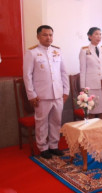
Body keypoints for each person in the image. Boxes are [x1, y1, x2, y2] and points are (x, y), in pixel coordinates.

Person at [23, 25, 69, 159]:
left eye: (50, 35)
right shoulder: (31, 53)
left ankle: (54, 145)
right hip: (41, 95)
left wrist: (66, 91)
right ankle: (43, 147)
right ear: (38, 36)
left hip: (58, 94)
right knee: (41, 122)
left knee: (56, 121)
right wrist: (31, 95)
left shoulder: (57, 51)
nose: (48, 37)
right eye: (45, 35)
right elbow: (27, 75)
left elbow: (64, 72)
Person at [79, 27, 102, 119]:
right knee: (91, 110)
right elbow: (82, 70)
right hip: (90, 86)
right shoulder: (84, 50)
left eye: (100, 34)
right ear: (90, 36)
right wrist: (83, 87)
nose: (99, 36)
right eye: (96, 34)